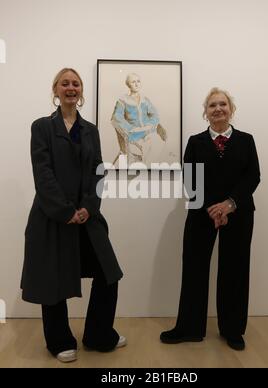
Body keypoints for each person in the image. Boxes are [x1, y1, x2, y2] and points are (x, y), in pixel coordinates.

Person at [21, 68, 126, 362]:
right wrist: (66, 211)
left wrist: (89, 208)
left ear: (81, 91)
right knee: (53, 280)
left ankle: (99, 334)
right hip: (52, 217)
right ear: (55, 90)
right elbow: (43, 173)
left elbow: (98, 170)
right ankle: (59, 340)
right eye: (65, 83)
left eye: (75, 84)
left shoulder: (89, 129)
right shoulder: (41, 127)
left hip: (87, 217)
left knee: (108, 274)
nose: (71, 87)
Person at [160, 87, 260, 351]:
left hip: (238, 214)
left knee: (235, 271)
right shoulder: (195, 142)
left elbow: (253, 177)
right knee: (194, 269)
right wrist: (212, 210)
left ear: (231, 109)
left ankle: (233, 330)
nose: (218, 109)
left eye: (223, 104)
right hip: (201, 214)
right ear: (206, 112)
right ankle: (189, 328)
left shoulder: (246, 140)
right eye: (212, 105)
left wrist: (229, 205)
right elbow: (190, 180)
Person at [111, 73, 167, 166]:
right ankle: (145, 169)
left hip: (147, 132)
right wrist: (131, 129)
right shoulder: (123, 100)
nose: (137, 84)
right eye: (133, 82)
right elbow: (116, 118)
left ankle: (147, 168)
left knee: (158, 141)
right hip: (133, 135)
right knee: (146, 146)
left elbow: (155, 115)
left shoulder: (145, 100)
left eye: (138, 81)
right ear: (128, 85)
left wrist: (149, 125)